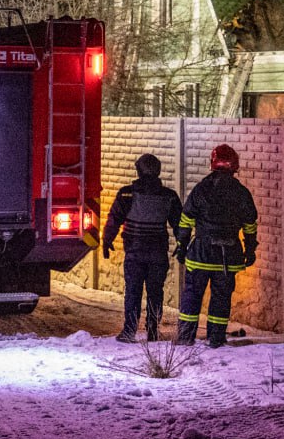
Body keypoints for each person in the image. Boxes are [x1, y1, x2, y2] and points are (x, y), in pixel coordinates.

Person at [173, 144, 258, 348]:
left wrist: (182, 245)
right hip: (226, 258)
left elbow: (186, 220)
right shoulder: (241, 192)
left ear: (212, 163)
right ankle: (216, 338)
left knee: (192, 296)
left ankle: (186, 337)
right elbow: (249, 225)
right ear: (234, 165)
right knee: (221, 298)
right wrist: (250, 250)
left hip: (200, 254)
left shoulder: (202, 188)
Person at [102, 153, 182, 343]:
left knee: (133, 291)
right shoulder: (169, 196)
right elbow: (180, 224)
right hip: (158, 254)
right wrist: (182, 244)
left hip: (135, 252)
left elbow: (114, 219)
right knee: (156, 292)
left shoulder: (126, 193)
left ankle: (129, 331)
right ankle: (153, 331)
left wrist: (107, 241)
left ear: (138, 170)